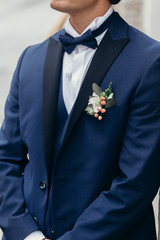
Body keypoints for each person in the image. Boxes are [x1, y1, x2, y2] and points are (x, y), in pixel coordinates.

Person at [0, 0, 160, 239]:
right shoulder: (29, 60)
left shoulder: (149, 61)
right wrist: (28, 234)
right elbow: (6, 161)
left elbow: (136, 181)